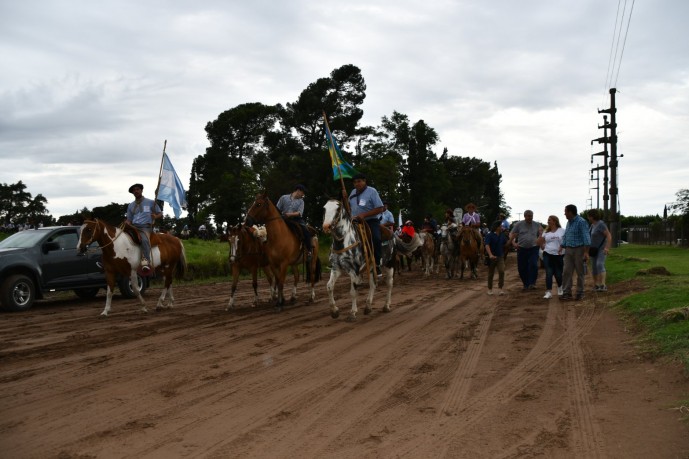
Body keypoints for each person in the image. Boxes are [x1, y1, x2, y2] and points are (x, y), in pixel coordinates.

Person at [348, 173, 384, 269]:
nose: (357, 184)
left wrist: (364, 215)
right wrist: (344, 198)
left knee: (376, 238)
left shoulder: (372, 191)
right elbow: (348, 207)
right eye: (355, 182)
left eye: (359, 181)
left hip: (370, 221)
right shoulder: (352, 193)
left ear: (364, 181)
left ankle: (377, 261)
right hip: (354, 222)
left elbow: (380, 208)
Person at [126, 183, 162, 272]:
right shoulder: (130, 205)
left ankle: (146, 262)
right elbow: (129, 219)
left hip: (145, 227)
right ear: (132, 193)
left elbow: (160, 214)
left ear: (142, 190)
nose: (136, 191)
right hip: (133, 226)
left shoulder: (151, 202)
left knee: (145, 240)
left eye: (137, 189)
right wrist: (127, 222)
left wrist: (155, 217)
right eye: (134, 190)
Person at [559, 204, 591, 301]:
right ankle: (567, 293)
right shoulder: (568, 223)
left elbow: (586, 237)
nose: (564, 213)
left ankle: (580, 293)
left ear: (570, 212)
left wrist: (586, 252)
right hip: (568, 249)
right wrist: (562, 245)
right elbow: (567, 235)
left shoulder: (581, 222)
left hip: (579, 249)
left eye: (565, 211)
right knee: (566, 271)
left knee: (580, 272)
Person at [509, 209, 543, 290]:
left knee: (533, 264)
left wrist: (540, 241)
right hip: (522, 248)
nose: (530, 218)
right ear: (524, 216)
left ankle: (532, 283)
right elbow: (511, 234)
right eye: (528, 216)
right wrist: (513, 243)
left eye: (531, 216)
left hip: (533, 248)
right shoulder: (518, 224)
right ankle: (526, 284)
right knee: (522, 267)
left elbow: (541, 234)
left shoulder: (537, 225)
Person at [276, 184, 312, 259]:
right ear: (298, 191)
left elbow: (299, 213)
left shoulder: (301, 201)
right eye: (303, 193)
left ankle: (309, 251)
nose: (303, 195)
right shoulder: (283, 197)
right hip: (283, 218)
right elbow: (277, 209)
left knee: (305, 230)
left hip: (296, 219)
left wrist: (289, 214)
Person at [538, 215, 565, 299]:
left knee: (558, 273)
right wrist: (540, 236)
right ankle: (548, 291)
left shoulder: (562, 231)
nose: (548, 221)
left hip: (559, 255)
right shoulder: (546, 231)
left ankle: (560, 288)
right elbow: (540, 242)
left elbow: (566, 240)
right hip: (547, 254)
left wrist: (562, 247)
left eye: (549, 220)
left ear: (555, 221)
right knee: (549, 272)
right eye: (548, 220)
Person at [587, 208, 612, 292]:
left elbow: (608, 235)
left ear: (592, 216)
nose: (588, 218)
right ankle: (596, 285)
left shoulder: (601, 224)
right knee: (594, 267)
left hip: (601, 249)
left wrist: (607, 248)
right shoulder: (592, 225)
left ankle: (603, 285)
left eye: (589, 216)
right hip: (593, 250)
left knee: (599, 264)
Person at [485, 221, 509, 295]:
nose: (502, 227)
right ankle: (489, 289)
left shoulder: (502, 235)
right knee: (491, 274)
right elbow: (487, 245)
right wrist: (490, 255)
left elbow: (506, 244)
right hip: (492, 257)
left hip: (500, 256)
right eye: (501, 226)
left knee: (501, 271)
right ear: (497, 227)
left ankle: (500, 288)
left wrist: (512, 239)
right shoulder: (489, 235)